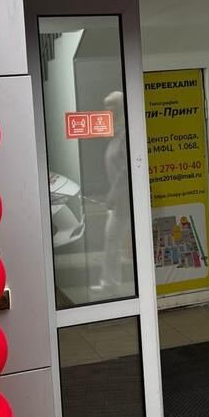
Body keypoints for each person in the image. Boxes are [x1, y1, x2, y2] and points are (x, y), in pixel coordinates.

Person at [91, 90, 132, 297]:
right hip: (120, 200)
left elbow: (125, 171)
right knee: (113, 241)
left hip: (123, 200)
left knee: (112, 241)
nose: (107, 109)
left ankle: (110, 283)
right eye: (106, 105)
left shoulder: (125, 134)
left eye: (111, 105)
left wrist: (113, 195)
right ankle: (110, 283)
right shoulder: (117, 133)